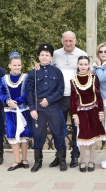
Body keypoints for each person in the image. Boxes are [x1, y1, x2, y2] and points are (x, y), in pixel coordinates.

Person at [26, 44, 67, 172]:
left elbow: (60, 90)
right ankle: (38, 162)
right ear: (39, 56)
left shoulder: (57, 72)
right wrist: (32, 108)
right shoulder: (33, 72)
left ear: (51, 57)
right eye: (42, 55)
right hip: (38, 109)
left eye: (47, 55)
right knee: (38, 135)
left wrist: (49, 100)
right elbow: (29, 91)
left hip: (53, 107)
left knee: (58, 133)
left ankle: (62, 160)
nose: (44, 57)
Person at [50, 31, 88, 168]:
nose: (68, 43)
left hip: (75, 98)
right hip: (59, 98)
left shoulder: (81, 54)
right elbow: (47, 67)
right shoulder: (55, 54)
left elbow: (89, 71)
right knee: (58, 128)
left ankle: (75, 156)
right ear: (62, 41)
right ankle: (59, 156)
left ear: (75, 41)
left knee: (76, 128)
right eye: (65, 41)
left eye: (70, 40)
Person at [71, 56, 106, 172]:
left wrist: (101, 113)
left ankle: (91, 161)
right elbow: (72, 99)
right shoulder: (73, 80)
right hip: (81, 113)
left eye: (85, 64)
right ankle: (82, 161)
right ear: (77, 65)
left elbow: (99, 96)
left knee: (93, 137)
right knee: (83, 138)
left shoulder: (94, 78)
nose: (83, 67)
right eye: (81, 64)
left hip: (94, 111)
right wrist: (75, 115)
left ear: (89, 65)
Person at [0, 51, 33, 171]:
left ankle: (24, 159)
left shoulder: (26, 77)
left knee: (24, 135)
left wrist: (17, 102)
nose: (17, 67)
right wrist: (8, 101)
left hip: (23, 110)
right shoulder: (4, 79)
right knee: (13, 134)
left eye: (19, 65)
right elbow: (1, 93)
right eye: (14, 65)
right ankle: (16, 160)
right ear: (9, 66)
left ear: (21, 65)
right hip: (10, 111)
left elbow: (27, 93)